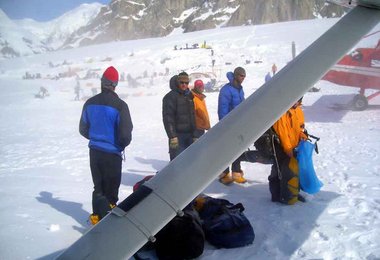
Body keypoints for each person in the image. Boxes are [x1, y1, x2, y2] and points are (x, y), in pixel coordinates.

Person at [79, 66, 133, 225]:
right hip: (112, 153)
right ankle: (109, 223)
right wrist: (119, 144)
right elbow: (125, 133)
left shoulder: (89, 103)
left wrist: (96, 137)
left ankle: (96, 218)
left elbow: (83, 128)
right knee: (111, 190)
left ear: (102, 83)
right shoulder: (120, 105)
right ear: (115, 84)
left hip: (94, 151)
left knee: (98, 187)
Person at [268, 98, 307, 205]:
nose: (296, 103)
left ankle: (292, 192)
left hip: (294, 146)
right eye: (295, 100)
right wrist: (288, 148)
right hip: (281, 147)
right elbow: (282, 132)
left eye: (299, 100)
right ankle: (276, 195)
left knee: (293, 171)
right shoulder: (281, 111)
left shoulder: (297, 110)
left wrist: (302, 135)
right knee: (278, 170)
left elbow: (299, 128)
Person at [217, 67, 247, 184]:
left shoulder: (240, 89)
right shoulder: (226, 90)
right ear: (235, 75)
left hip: (238, 124)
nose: (243, 78)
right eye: (241, 76)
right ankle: (224, 174)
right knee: (226, 150)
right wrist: (224, 125)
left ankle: (236, 172)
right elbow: (222, 109)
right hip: (228, 125)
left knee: (237, 148)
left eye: (244, 76)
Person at [162, 72, 197, 161]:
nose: (184, 85)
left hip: (189, 135)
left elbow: (192, 116)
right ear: (178, 82)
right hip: (177, 136)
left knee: (190, 161)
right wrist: (172, 136)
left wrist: (194, 134)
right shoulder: (170, 97)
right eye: (182, 82)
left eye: (186, 83)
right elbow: (168, 118)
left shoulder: (189, 96)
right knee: (177, 162)